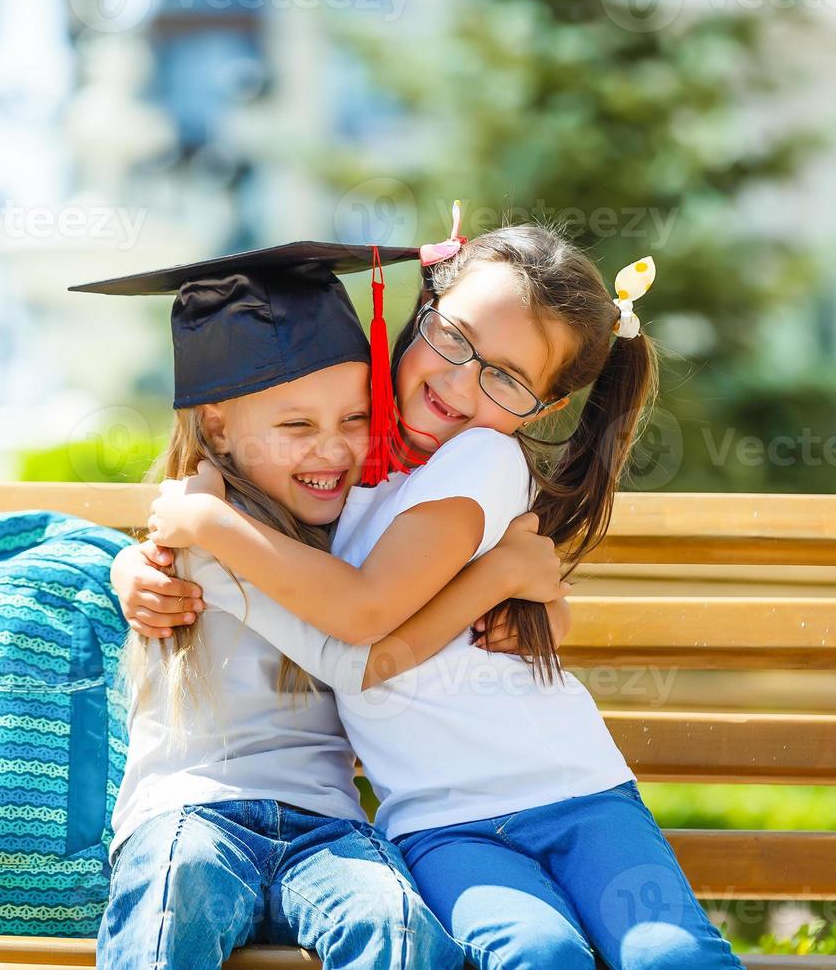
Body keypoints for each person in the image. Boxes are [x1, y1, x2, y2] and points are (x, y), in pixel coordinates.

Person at [135, 221, 744, 969]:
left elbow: (362, 616)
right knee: (538, 954)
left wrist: (204, 523)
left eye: (507, 376)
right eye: (453, 338)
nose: (459, 382)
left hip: (577, 791)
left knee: (669, 956)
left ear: (544, 409)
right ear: (424, 309)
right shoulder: (340, 475)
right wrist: (139, 571)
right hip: (440, 825)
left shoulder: (482, 459)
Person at [78, 242, 568, 970]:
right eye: (297, 427)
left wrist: (541, 600)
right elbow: (356, 658)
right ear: (217, 429)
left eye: (353, 418)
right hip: (194, 811)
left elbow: (509, 620)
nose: (333, 451)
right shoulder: (206, 527)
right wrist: (129, 569)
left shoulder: (364, 534)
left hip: (328, 826)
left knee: (399, 931)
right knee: (174, 894)